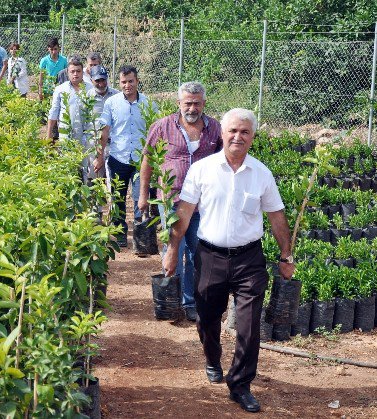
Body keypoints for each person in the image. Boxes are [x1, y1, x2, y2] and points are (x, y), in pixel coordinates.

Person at [162, 108, 295, 414]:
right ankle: (212, 357)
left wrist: (286, 255)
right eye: (232, 131)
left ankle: (240, 384)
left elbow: (277, 217)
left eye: (245, 132)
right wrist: (172, 250)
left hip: (249, 259)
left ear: (252, 137)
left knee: (249, 327)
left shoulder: (262, 174)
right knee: (207, 319)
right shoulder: (203, 170)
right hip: (210, 257)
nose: (238, 137)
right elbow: (183, 213)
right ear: (222, 133)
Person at [139, 81, 222, 322]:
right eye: (188, 103)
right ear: (179, 103)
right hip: (171, 201)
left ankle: (190, 302)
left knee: (198, 253)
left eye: (197, 103)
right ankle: (171, 303)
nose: (192, 108)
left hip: (202, 203)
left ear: (204, 103)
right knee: (175, 249)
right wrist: (143, 196)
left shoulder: (215, 129)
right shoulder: (162, 127)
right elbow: (147, 161)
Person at [94, 65, 156, 247]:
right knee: (118, 197)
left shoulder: (148, 104)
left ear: (137, 81)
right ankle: (120, 232)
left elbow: (155, 132)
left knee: (140, 198)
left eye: (130, 81)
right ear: (119, 83)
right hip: (117, 158)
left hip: (140, 161)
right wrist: (99, 157)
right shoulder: (111, 103)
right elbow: (104, 132)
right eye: (123, 82)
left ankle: (139, 235)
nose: (127, 85)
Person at [84, 64, 119, 183]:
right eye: (97, 80)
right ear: (91, 80)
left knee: (114, 180)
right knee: (95, 178)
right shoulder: (87, 97)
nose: (101, 83)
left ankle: (113, 201)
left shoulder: (117, 95)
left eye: (103, 80)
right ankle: (97, 201)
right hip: (94, 143)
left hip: (113, 142)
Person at [46, 55, 93, 142]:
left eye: (78, 71)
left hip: (86, 135)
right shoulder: (60, 89)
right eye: (72, 71)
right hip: (66, 133)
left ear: (82, 72)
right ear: (67, 73)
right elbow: (54, 111)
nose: (75, 74)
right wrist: (49, 134)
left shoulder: (91, 89)